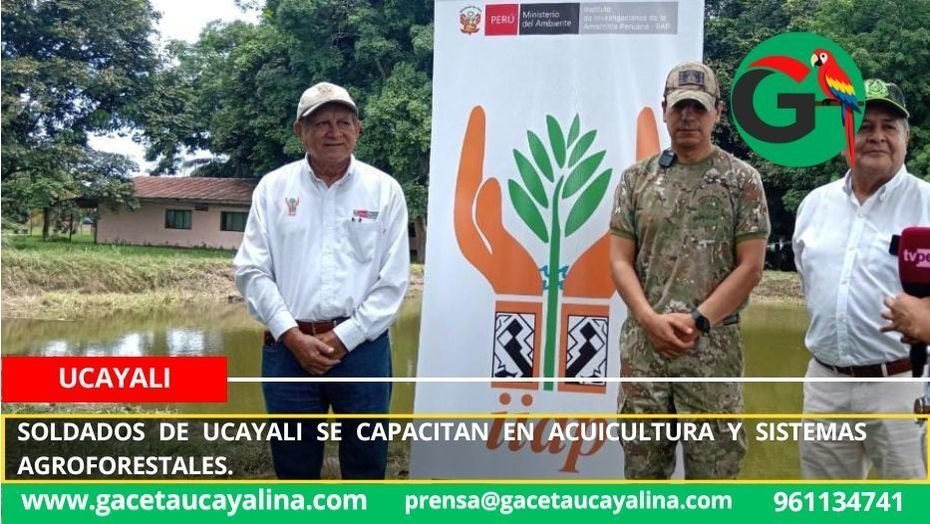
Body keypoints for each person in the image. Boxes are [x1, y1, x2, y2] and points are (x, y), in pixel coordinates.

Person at [233, 82, 410, 479]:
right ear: (301, 131)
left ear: (358, 130)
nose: (334, 132)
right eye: (321, 123)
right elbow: (251, 270)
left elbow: (393, 280)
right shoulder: (273, 189)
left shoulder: (385, 191)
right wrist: (291, 334)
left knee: (366, 465)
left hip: (362, 350)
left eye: (344, 122)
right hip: (287, 350)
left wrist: (344, 336)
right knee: (294, 467)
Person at [609, 62, 770, 479]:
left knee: (713, 481)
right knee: (643, 477)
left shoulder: (742, 181)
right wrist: (649, 320)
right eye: (679, 107)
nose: (688, 117)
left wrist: (698, 320)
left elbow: (751, 267)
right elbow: (620, 260)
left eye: (698, 108)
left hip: (711, 354)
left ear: (717, 112)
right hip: (645, 352)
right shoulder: (635, 180)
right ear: (663, 110)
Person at [793, 78, 930, 479]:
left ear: (906, 137)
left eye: (889, 126)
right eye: (864, 126)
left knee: (908, 505)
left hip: (903, 384)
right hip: (825, 384)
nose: (876, 136)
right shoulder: (813, 205)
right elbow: (810, 284)